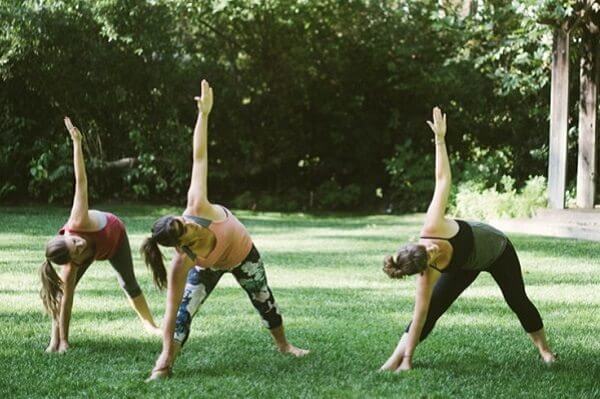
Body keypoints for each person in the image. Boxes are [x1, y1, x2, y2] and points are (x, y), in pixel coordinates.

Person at [142, 80, 309, 380]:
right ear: (181, 244)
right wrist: (164, 355)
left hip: (244, 255)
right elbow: (171, 313)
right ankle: (166, 365)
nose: (189, 222)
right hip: (209, 266)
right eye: (185, 229)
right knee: (184, 314)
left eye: (184, 220)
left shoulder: (197, 206)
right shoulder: (183, 260)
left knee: (264, 301)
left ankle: (284, 346)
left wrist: (203, 115)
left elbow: (199, 157)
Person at [379, 107, 556, 372]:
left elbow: (442, 180)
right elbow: (419, 316)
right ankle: (393, 360)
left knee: (516, 299)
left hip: (496, 250)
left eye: (425, 245)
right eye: (429, 253)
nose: (432, 247)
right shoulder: (427, 272)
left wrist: (440, 140)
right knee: (432, 309)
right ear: (427, 265)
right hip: (465, 265)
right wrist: (406, 359)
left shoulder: (432, 225)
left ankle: (545, 351)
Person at [40, 117, 161, 353]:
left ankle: (149, 324)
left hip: (114, 237)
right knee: (65, 292)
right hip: (97, 250)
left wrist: (76, 143)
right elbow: (67, 300)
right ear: (73, 259)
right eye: (78, 250)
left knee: (129, 282)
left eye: (75, 241)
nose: (80, 243)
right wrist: (62, 341)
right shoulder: (71, 261)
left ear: (68, 234)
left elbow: (80, 181)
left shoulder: (78, 220)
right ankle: (55, 340)